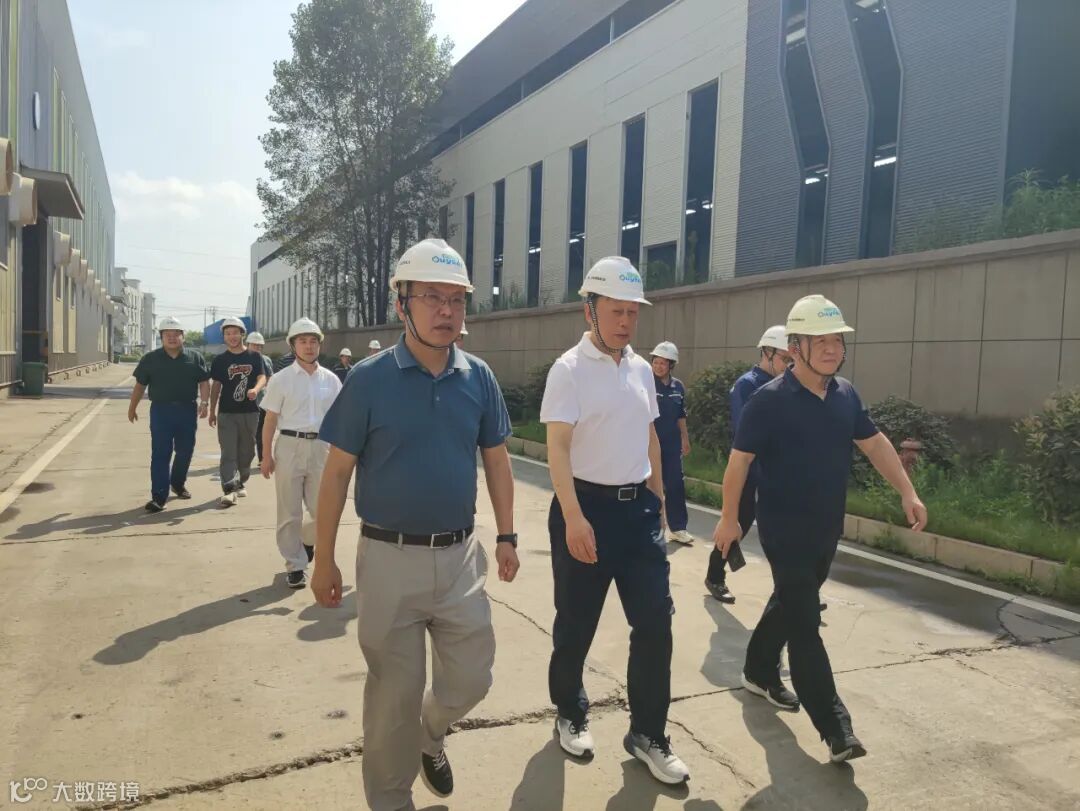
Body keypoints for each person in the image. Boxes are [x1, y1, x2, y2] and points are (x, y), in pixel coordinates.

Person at [312, 239, 519, 811]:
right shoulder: (368, 380)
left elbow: (497, 460)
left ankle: (432, 733)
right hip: (388, 561)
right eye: (432, 297)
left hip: (460, 560)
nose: (446, 310)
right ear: (402, 302)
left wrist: (506, 535)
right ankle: (390, 799)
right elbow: (335, 475)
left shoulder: (478, 377)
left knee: (473, 678)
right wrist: (324, 558)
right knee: (391, 702)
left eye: (456, 299)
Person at [712, 295, 927, 763]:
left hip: (826, 528)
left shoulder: (845, 394)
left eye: (837, 341)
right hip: (783, 530)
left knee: (792, 604)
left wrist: (907, 492)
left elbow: (875, 444)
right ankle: (836, 729)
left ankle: (757, 669)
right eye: (820, 340)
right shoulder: (769, 401)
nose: (832, 349)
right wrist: (729, 518)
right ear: (796, 347)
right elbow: (739, 462)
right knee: (805, 623)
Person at [540, 257, 689, 785]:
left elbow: (649, 438)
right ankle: (570, 711)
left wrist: (660, 500)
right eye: (615, 311)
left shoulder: (642, 369)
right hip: (586, 509)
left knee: (655, 623)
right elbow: (558, 449)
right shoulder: (568, 370)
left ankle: (648, 733)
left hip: (638, 513)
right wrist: (574, 518)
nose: (625, 321)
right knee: (576, 622)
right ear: (590, 310)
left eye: (633, 312)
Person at [705, 325, 791, 604]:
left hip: (777, 471)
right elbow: (747, 430)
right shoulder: (747, 384)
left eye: (792, 360)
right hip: (748, 470)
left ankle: (794, 588)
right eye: (784, 358)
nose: (788, 365)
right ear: (767, 352)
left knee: (782, 532)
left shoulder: (788, 385)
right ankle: (715, 576)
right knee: (736, 523)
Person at [259, 318, 342, 588]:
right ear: (293, 345)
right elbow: (270, 420)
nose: (309, 346)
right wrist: (266, 455)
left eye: (313, 341)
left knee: (322, 510)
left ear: (320, 345)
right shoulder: (281, 380)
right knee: (289, 511)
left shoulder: (331, 380)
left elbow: (340, 419)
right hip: (289, 447)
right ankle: (295, 565)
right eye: (303, 341)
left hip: (322, 448)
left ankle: (306, 541)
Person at [127, 316, 210, 512]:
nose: (172, 338)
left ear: (183, 336)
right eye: (167, 335)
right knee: (160, 453)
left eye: (176, 334)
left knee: (185, 450)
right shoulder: (150, 359)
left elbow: (204, 382)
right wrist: (132, 407)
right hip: (161, 411)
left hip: (187, 410)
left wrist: (204, 402)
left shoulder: (194, 357)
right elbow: (140, 386)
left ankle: (178, 483)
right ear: (161, 337)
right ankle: (159, 497)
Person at [208, 318, 267, 507]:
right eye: (227, 333)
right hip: (227, 412)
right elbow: (216, 386)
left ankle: (240, 481)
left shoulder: (254, 356)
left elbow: (262, 377)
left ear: (242, 334)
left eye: (235, 332)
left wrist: (256, 389)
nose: (231, 336)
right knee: (228, 451)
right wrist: (212, 410)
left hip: (250, 412)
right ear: (224, 337)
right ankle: (228, 489)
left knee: (247, 451)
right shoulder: (220, 360)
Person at [649, 341, 692, 545]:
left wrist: (685, 438)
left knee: (675, 484)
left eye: (663, 363)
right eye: (655, 362)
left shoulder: (678, 387)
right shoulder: (647, 384)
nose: (658, 366)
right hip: (650, 443)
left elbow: (680, 416)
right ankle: (650, 525)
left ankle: (678, 528)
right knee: (649, 485)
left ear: (671, 365)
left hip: (672, 444)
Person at [245, 332, 275, 463]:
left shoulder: (266, 360)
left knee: (261, 431)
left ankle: (262, 458)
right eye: (254, 345)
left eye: (259, 345)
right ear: (248, 345)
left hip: (262, 401)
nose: (257, 347)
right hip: (244, 402)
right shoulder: (242, 359)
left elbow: (270, 379)